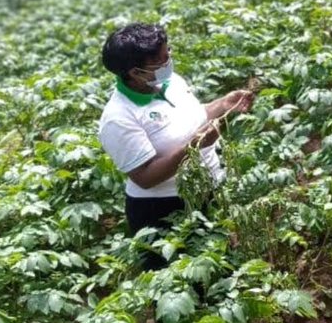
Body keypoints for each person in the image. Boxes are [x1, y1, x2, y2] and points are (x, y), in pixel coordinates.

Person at [97, 23, 254, 270]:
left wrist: (222, 104)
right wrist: (194, 147)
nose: (168, 61)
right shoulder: (118, 118)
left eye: (167, 52)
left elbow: (192, 117)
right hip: (163, 210)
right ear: (135, 72)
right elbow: (145, 177)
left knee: (219, 268)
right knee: (181, 278)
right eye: (160, 61)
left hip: (207, 192)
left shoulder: (172, 83)